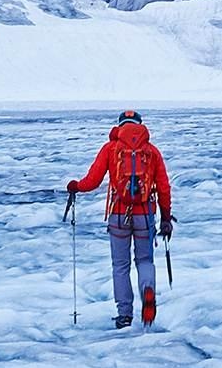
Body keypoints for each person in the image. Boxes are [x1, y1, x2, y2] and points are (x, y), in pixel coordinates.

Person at [66, 111, 173, 328]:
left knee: (120, 265)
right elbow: (163, 187)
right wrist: (166, 217)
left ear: (120, 126)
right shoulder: (151, 152)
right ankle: (147, 290)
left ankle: (125, 315)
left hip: (118, 215)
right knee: (144, 261)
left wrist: (75, 186)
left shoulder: (111, 149)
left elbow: (93, 180)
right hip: (145, 215)